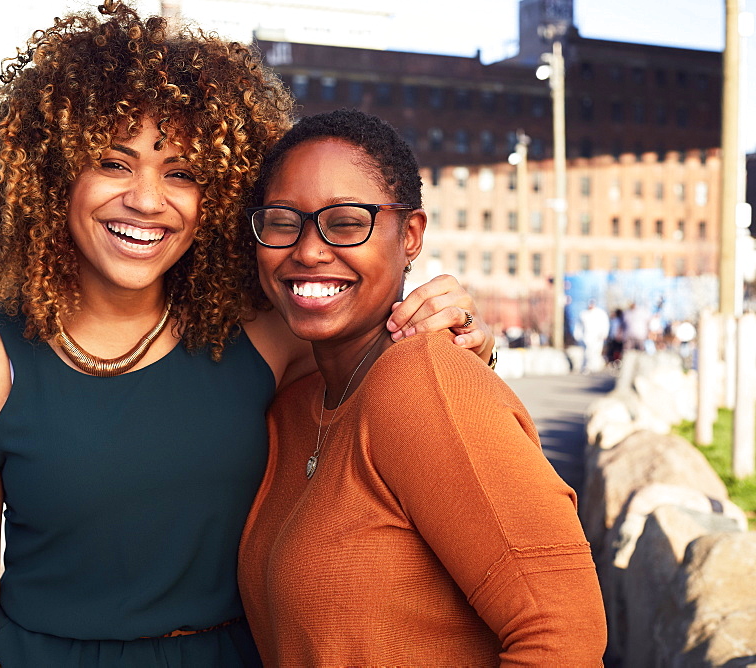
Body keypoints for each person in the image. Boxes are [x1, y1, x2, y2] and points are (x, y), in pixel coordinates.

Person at [0, 4, 494, 667]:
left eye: (181, 172)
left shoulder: (269, 341)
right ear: (53, 175)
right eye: (113, 162)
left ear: (216, 193)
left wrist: (469, 336)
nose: (148, 200)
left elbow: (415, 388)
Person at [238, 109, 607, 666]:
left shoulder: (425, 383)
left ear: (409, 234)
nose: (309, 250)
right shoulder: (293, 406)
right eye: (284, 221)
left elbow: (562, 633)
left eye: (344, 222)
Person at [577, 299, 610, 373]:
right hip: (586, 337)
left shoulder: (600, 313)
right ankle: (586, 367)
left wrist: (604, 333)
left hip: (598, 337)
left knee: (596, 352)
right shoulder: (584, 314)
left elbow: (605, 324)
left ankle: (594, 367)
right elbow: (579, 326)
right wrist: (578, 335)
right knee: (587, 352)